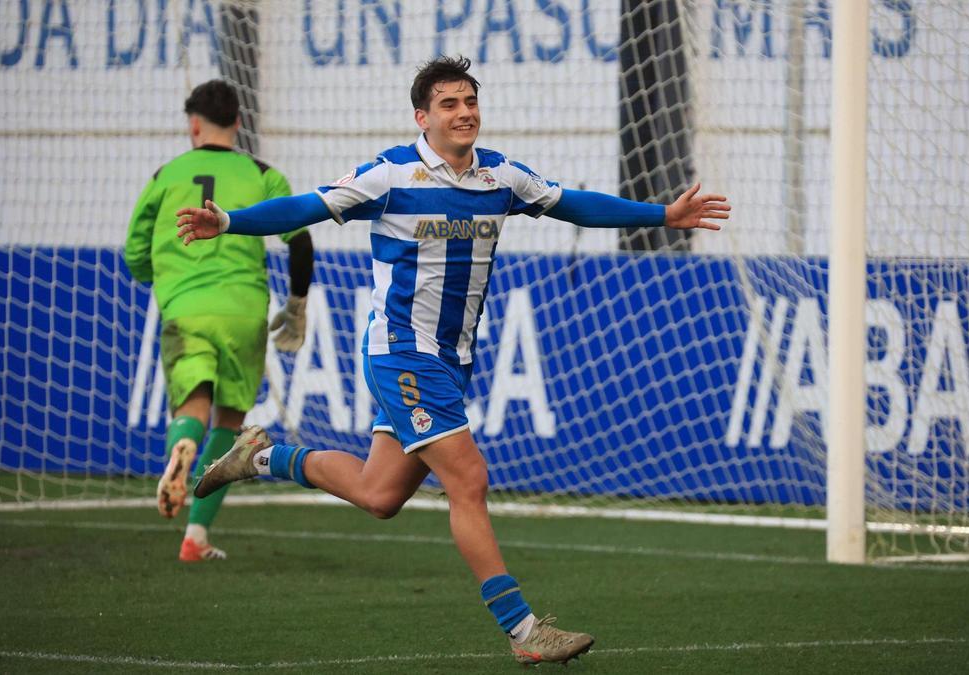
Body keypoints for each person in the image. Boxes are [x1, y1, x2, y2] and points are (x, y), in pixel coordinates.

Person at [176, 56, 728, 662]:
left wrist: (663, 215)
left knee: (380, 495)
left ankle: (259, 457)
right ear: (423, 117)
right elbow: (304, 207)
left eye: (470, 101)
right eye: (449, 104)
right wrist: (229, 221)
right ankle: (524, 632)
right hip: (401, 353)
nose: (464, 112)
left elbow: (574, 203)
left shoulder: (501, 177)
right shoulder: (390, 175)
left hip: (450, 360)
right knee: (468, 478)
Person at [123, 79, 314, 563]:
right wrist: (297, 305)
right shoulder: (264, 173)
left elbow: (134, 253)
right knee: (229, 422)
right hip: (243, 311)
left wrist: (161, 277)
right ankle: (196, 536)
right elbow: (300, 240)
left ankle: (182, 447)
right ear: (239, 123)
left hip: (186, 307)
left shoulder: (167, 174)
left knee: (192, 405)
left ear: (194, 125)